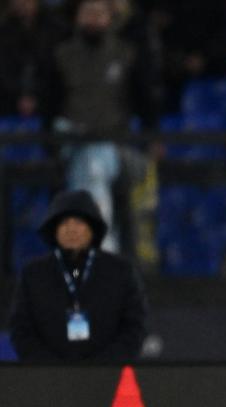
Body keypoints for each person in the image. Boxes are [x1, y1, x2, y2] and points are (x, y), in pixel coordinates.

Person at [46, 0, 159, 254]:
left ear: (110, 17)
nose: (93, 19)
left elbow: (146, 102)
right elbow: (49, 106)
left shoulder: (126, 53)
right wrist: (51, 146)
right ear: (77, 17)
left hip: (114, 147)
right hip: (70, 143)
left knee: (93, 163)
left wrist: (151, 137)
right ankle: (101, 250)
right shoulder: (62, 55)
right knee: (87, 161)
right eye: (87, 12)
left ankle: (90, 250)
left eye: (99, 13)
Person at [8, 190, 148, 362]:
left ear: (92, 228)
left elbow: (135, 327)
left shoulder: (121, 272)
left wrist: (102, 367)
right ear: (54, 230)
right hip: (47, 381)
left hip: (108, 379)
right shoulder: (33, 274)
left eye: (79, 222)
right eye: (64, 222)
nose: (71, 229)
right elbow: (21, 330)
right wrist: (48, 368)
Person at [0, 0, 67, 118]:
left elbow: (58, 68)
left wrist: (36, 95)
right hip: (8, 102)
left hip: (50, 102)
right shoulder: (4, 30)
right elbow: (4, 68)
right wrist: (19, 95)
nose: (21, 4)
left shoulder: (56, 28)